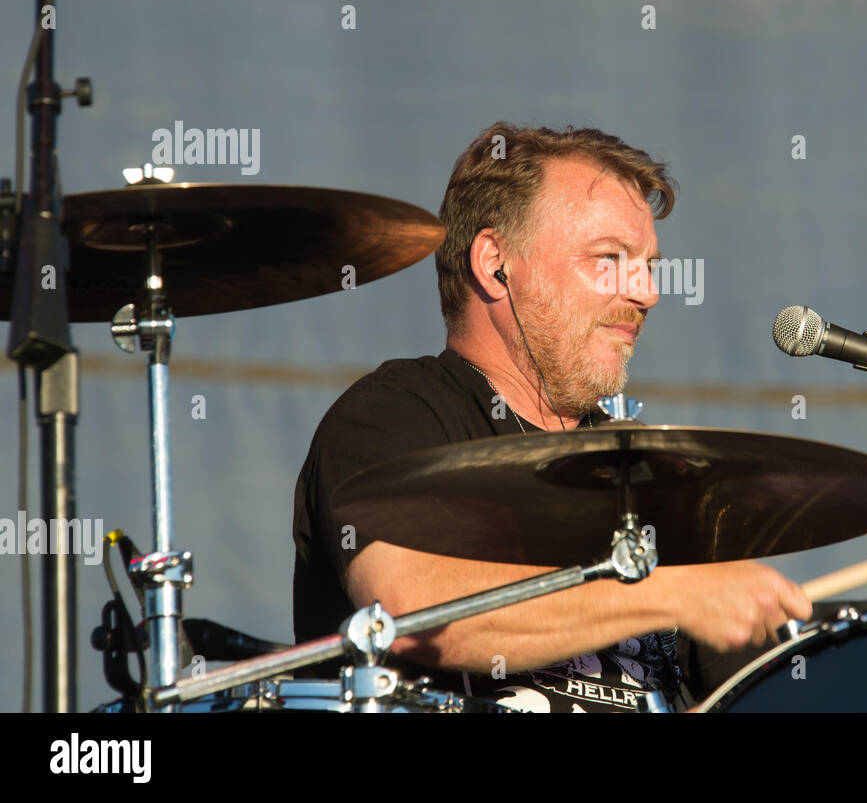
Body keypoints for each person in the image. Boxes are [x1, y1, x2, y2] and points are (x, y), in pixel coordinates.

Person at [291, 122, 812, 712]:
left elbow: (752, 693)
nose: (646, 292)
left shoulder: (652, 470)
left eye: (647, 264)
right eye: (609, 258)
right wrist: (669, 594)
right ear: (496, 264)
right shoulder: (395, 414)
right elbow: (411, 610)